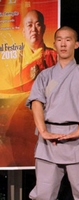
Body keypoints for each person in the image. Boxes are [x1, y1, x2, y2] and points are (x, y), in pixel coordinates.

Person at [26, 26, 79, 199]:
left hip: (77, 138)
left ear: (76, 44)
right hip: (48, 141)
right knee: (43, 194)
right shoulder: (45, 76)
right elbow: (36, 103)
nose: (63, 44)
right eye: (59, 40)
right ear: (54, 44)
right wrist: (43, 131)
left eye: (68, 39)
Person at [0, 9, 57, 167]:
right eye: (29, 25)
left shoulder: (55, 58)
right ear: (23, 31)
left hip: (46, 123)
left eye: (38, 25)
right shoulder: (12, 61)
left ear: (44, 29)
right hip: (19, 123)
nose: (34, 29)